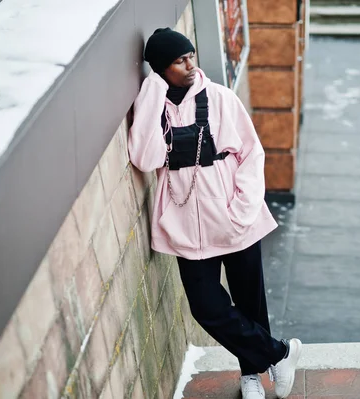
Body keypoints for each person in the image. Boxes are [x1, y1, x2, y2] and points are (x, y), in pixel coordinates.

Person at [127, 28, 302, 399]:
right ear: (160, 69)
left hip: (233, 216)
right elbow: (145, 159)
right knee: (206, 306)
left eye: (191, 55)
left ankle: (251, 374)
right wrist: (153, 92)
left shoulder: (221, 98)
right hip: (186, 224)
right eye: (179, 60)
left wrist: (241, 208)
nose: (190, 65)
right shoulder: (156, 106)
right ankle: (279, 353)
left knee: (249, 301)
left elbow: (252, 155)